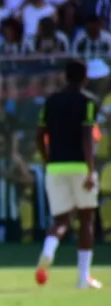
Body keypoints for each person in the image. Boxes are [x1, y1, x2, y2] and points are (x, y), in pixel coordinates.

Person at [35, 60, 102, 288]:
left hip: (55, 167)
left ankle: (48, 249)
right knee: (86, 220)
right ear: (85, 77)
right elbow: (87, 137)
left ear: (65, 76)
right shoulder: (89, 102)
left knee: (61, 219)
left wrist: (47, 160)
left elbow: (39, 135)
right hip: (80, 167)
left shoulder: (50, 101)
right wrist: (91, 171)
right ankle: (83, 278)